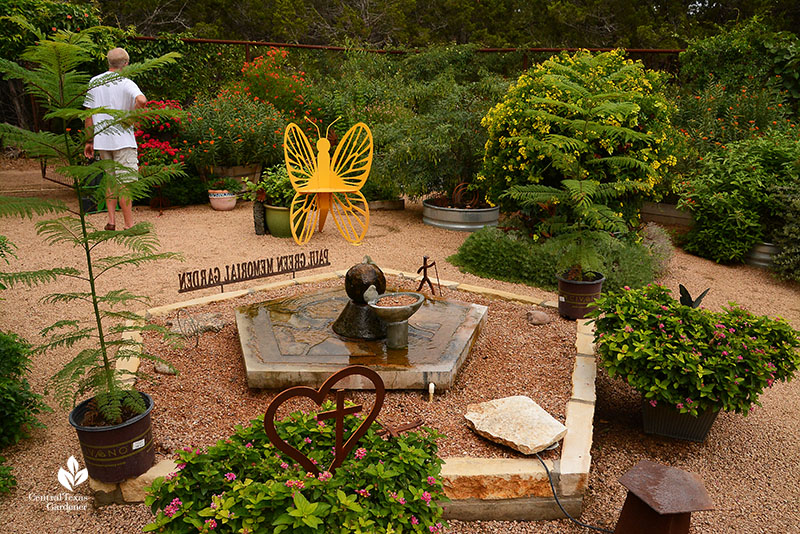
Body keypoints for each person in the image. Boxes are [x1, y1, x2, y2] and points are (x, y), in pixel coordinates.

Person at [83, 47, 147, 230]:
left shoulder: (94, 82)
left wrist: (89, 141)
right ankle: (129, 225)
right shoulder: (127, 82)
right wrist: (132, 116)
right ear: (126, 63)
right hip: (124, 141)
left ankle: (111, 222)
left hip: (102, 140)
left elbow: (88, 114)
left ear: (108, 62)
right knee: (124, 183)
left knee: (110, 181)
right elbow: (142, 101)